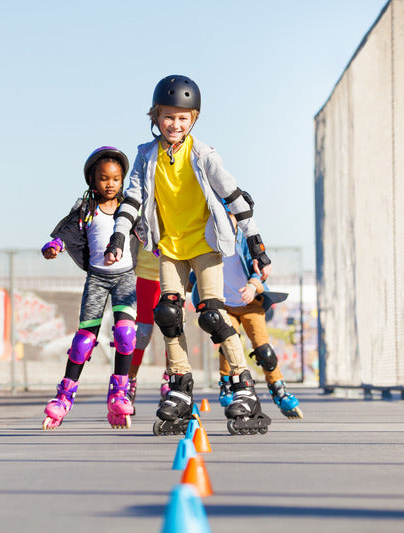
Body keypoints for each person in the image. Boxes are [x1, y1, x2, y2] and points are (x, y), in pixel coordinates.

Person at [104, 74, 274, 435]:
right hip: (170, 246)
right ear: (155, 117)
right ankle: (180, 385)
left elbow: (234, 196)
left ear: (193, 119)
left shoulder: (203, 154)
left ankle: (243, 383)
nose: (175, 124)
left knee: (212, 314)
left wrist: (256, 243)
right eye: (168, 116)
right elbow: (132, 199)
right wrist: (119, 238)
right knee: (167, 313)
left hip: (206, 245)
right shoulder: (145, 156)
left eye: (183, 118)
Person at [41, 146, 138, 430]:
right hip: (97, 278)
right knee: (83, 341)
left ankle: (119, 393)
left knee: (125, 334)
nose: (110, 184)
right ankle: (63, 397)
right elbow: (67, 233)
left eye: (116, 179)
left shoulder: (128, 208)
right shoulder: (86, 209)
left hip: (125, 278)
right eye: (104, 178)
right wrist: (54, 246)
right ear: (93, 181)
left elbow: (149, 231)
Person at [199, 214, 303, 419]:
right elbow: (197, 271)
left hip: (250, 304)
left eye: (230, 219)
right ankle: (227, 385)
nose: (225, 224)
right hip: (224, 305)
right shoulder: (209, 243)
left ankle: (278, 389)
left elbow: (260, 271)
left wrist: (252, 286)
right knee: (229, 342)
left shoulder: (245, 242)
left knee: (264, 350)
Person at [126, 247, 170, 414]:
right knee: (141, 332)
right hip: (146, 274)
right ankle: (129, 383)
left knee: (172, 331)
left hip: (174, 271)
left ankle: (170, 381)